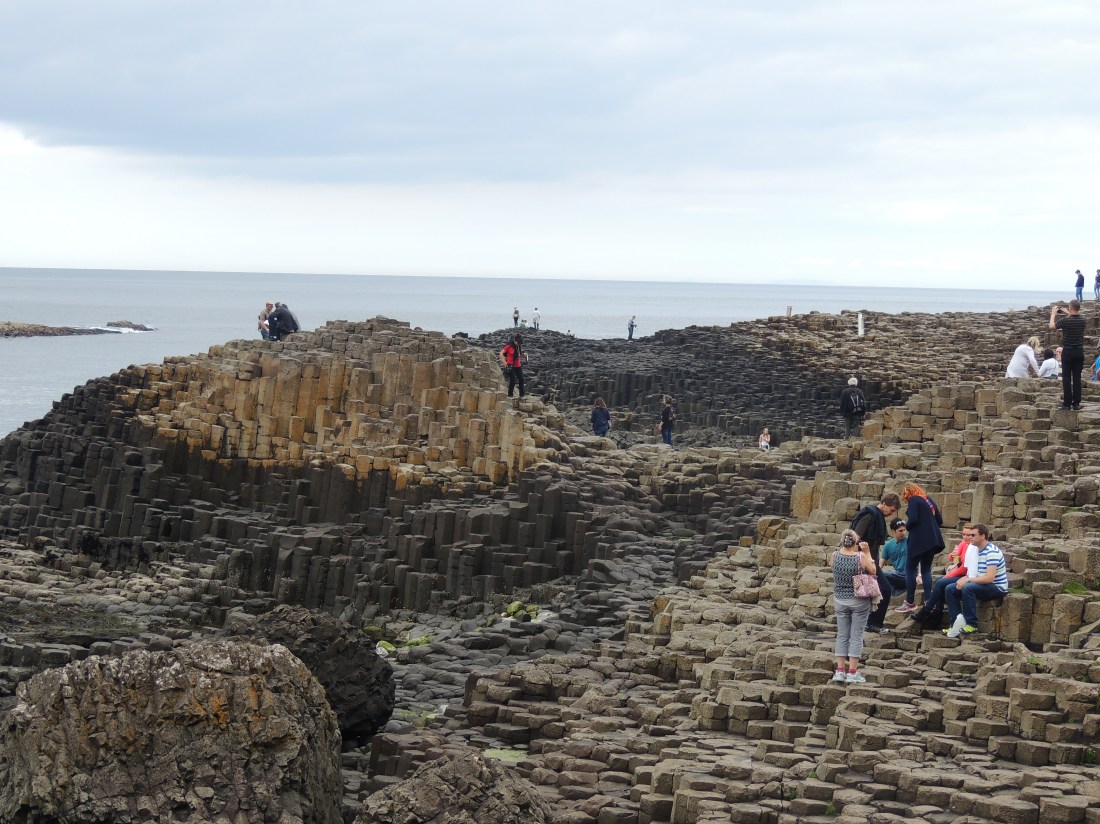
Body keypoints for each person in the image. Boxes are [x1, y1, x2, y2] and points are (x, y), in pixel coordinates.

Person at [830, 529, 878, 684]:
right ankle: (852, 672)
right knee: (856, 636)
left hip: (840, 600)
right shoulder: (860, 556)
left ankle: (839, 671)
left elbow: (833, 568)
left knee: (842, 635)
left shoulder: (834, 555)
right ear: (855, 542)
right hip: (858, 600)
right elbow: (873, 571)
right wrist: (868, 552)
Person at [944, 524, 1008, 637]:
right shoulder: (977, 550)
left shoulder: (991, 551)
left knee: (968, 588)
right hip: (983, 583)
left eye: (973, 535)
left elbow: (990, 578)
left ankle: (971, 624)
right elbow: (974, 573)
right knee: (950, 588)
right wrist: (964, 578)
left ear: (983, 536)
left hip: (997, 587)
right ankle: (956, 622)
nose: (970, 537)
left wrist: (968, 581)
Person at [850, 493, 901, 634]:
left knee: (872, 592)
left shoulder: (877, 516)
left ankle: (869, 622)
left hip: (871, 561)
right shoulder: (870, 515)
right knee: (883, 589)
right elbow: (855, 537)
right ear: (883, 503)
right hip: (863, 560)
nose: (891, 514)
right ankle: (872, 623)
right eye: (890, 510)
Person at [908, 525, 978, 629]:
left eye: (969, 535)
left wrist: (948, 576)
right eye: (963, 534)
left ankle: (928, 611)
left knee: (941, 582)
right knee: (940, 582)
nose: (965, 537)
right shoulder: (964, 543)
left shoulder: (973, 547)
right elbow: (953, 558)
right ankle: (936, 614)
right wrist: (952, 555)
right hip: (960, 574)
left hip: (966, 576)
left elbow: (964, 568)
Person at [895, 482, 944, 614]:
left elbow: (914, 519)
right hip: (933, 540)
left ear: (908, 492)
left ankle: (909, 602)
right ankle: (928, 600)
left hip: (918, 540)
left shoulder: (913, 500)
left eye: (904, 494)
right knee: (926, 569)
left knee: (910, 569)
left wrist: (908, 527)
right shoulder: (928, 499)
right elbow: (939, 520)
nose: (905, 497)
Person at [1050, 300, 1087, 410]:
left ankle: (1067, 404)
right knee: (1077, 378)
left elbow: (1051, 326)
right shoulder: (1083, 321)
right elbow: (1075, 316)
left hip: (1068, 352)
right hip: (1079, 352)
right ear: (1078, 308)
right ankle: (1076, 403)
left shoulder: (1065, 321)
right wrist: (1068, 312)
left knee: (1066, 378)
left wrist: (1053, 314)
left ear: (1070, 308)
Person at [880, 518, 910, 592]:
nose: (904, 533)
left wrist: (919, 574)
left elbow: (919, 559)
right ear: (893, 531)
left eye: (904, 530)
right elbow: (880, 564)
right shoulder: (888, 545)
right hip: (897, 575)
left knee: (886, 574)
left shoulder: (910, 541)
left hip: (910, 575)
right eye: (900, 531)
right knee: (881, 574)